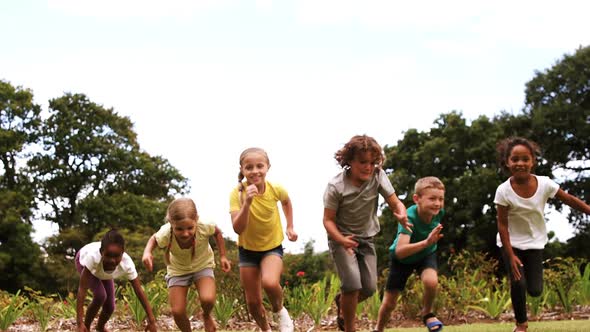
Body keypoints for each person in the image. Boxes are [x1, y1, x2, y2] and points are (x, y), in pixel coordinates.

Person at [495, 137, 590, 332]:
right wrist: (510, 254)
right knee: (518, 282)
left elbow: (569, 199)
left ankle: (525, 299)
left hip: (535, 243)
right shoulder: (503, 191)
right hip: (510, 244)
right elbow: (502, 224)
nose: (520, 163)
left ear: (533, 162)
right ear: (507, 162)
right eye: (515, 159)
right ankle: (521, 325)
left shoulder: (545, 184)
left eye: (525, 159)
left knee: (536, 290)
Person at [323, 135, 410, 332]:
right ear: (349, 161)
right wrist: (342, 240)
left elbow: (396, 202)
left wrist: (401, 214)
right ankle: (350, 328)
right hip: (342, 238)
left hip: (367, 238)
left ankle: (342, 301)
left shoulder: (378, 176)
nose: (368, 167)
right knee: (352, 283)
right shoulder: (336, 186)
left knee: (369, 288)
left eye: (372, 163)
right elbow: (327, 220)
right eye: (363, 162)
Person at [229, 147, 297, 332]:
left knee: (269, 282)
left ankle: (280, 311)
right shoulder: (237, 194)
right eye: (249, 167)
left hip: (272, 247)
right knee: (253, 303)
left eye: (260, 166)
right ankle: (265, 329)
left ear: (268, 167)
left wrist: (290, 226)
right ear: (242, 170)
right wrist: (247, 204)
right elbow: (238, 228)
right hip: (247, 251)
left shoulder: (276, 189)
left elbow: (286, 202)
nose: (255, 171)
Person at [142, 198, 231, 332]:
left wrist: (223, 256)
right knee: (177, 311)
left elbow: (217, 232)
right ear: (171, 223)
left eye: (190, 228)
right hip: (178, 270)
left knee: (208, 299)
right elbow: (154, 239)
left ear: (196, 220)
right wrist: (147, 252)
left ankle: (206, 315)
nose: (185, 233)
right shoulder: (166, 232)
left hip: (202, 265)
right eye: (179, 229)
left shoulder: (204, 225)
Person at [373, 176, 445, 332]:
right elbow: (400, 251)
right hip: (402, 259)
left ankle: (427, 313)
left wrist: (427, 245)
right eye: (432, 198)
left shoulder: (439, 212)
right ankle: (378, 329)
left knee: (431, 281)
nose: (437, 203)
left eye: (441, 199)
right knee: (390, 302)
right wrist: (426, 242)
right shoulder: (409, 218)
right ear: (416, 199)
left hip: (426, 254)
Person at [76, 229, 157, 332]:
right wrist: (80, 323)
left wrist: (152, 320)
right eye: (108, 255)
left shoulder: (127, 264)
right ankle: (85, 328)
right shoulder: (93, 257)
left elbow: (139, 291)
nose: (112, 260)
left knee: (110, 306)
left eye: (116, 256)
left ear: (122, 253)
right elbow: (82, 289)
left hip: (101, 271)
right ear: (102, 252)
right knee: (100, 295)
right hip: (83, 262)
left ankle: (100, 328)